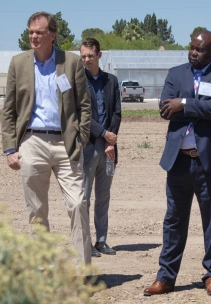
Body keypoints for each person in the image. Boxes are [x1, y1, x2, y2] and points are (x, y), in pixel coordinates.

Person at [143, 30, 211, 297]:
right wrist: (200, 110)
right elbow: (165, 109)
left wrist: (184, 104)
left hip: (210, 160)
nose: (193, 53)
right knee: (173, 220)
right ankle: (166, 277)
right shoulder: (176, 73)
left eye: (200, 50)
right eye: (192, 48)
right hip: (179, 160)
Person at [1, 12, 93, 269]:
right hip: (32, 141)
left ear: (52, 35)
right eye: (31, 32)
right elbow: (9, 109)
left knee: (78, 204)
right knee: (37, 209)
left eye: (39, 32)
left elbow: (84, 105)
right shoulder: (18, 63)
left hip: (67, 143)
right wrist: (10, 148)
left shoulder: (71, 62)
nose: (33, 36)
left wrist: (82, 137)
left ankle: (84, 271)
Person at [78, 37, 122, 257]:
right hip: (87, 147)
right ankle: (85, 243)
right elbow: (81, 115)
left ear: (99, 55)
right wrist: (104, 134)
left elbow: (116, 113)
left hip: (108, 149)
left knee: (103, 197)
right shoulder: (78, 82)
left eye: (90, 56)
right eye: (83, 56)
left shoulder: (111, 81)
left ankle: (101, 241)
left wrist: (109, 141)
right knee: (84, 198)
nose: (86, 60)